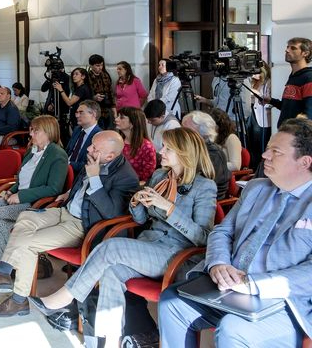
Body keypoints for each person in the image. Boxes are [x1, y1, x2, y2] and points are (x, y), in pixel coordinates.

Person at [31, 128, 217, 347]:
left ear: (184, 153)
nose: (161, 151)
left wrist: (169, 208)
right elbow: (140, 220)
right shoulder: (160, 176)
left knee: (111, 247)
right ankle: (110, 342)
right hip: (148, 246)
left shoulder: (204, 187)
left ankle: (65, 296)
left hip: (177, 254)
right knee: (111, 272)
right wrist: (136, 203)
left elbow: (204, 238)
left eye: (168, 149)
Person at [158, 118, 312, 348]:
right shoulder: (256, 188)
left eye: (276, 152)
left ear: (304, 162)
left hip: (284, 301)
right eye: (268, 148)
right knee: (171, 301)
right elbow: (222, 231)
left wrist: (253, 285)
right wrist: (219, 263)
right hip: (229, 287)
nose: (265, 155)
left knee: (232, 328)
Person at [0, 131, 139, 317]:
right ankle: (3, 272)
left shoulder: (126, 176)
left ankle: (18, 299)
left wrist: (94, 179)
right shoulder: (95, 160)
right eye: (91, 144)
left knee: (28, 243)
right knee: (25, 217)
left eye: (95, 148)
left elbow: (112, 212)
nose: (89, 149)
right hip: (64, 211)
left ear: (110, 156)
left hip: (83, 224)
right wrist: (69, 193)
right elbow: (80, 189)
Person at [0, 115, 68, 282]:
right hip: (19, 197)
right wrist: (11, 191)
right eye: (31, 130)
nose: (31, 134)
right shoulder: (32, 151)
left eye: (36, 131)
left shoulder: (57, 155)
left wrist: (20, 196)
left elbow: (54, 189)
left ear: (48, 132)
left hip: (35, 204)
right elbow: (21, 179)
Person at [182, 111, 231, 199]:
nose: (181, 134)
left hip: (208, 200)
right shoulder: (190, 148)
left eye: (187, 131)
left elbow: (200, 185)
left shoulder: (214, 155)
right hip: (188, 194)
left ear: (204, 135)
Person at [266, 37, 312, 126]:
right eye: (287, 47)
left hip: (296, 132)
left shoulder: (309, 77)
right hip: (285, 129)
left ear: (305, 53)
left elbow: (309, 114)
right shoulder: (294, 75)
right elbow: (289, 107)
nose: (287, 50)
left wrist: (295, 132)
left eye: (293, 48)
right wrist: (271, 101)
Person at [116, 106, 157, 182]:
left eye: (121, 117)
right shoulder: (118, 141)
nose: (116, 119)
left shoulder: (146, 147)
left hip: (134, 185)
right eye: (117, 116)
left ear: (132, 123)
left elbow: (147, 176)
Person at [64, 100, 102, 176]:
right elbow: (68, 151)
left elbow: (90, 165)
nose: (77, 116)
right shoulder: (77, 129)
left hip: (80, 175)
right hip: (65, 169)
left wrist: (67, 163)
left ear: (93, 114)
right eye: (77, 112)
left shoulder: (99, 136)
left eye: (81, 112)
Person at [246, 64, 272, 169]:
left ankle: (260, 168)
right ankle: (252, 167)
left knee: (260, 144)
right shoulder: (252, 82)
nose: (254, 74)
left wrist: (256, 93)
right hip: (251, 114)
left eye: (257, 72)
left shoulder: (269, 83)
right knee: (250, 142)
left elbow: (270, 102)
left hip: (262, 118)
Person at [87, 55, 115, 128]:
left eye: (101, 65)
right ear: (91, 66)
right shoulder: (87, 77)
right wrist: (94, 97)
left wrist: (114, 109)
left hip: (107, 108)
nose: (100, 67)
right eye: (97, 65)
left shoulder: (105, 75)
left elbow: (110, 92)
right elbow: (84, 95)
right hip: (94, 110)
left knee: (110, 130)